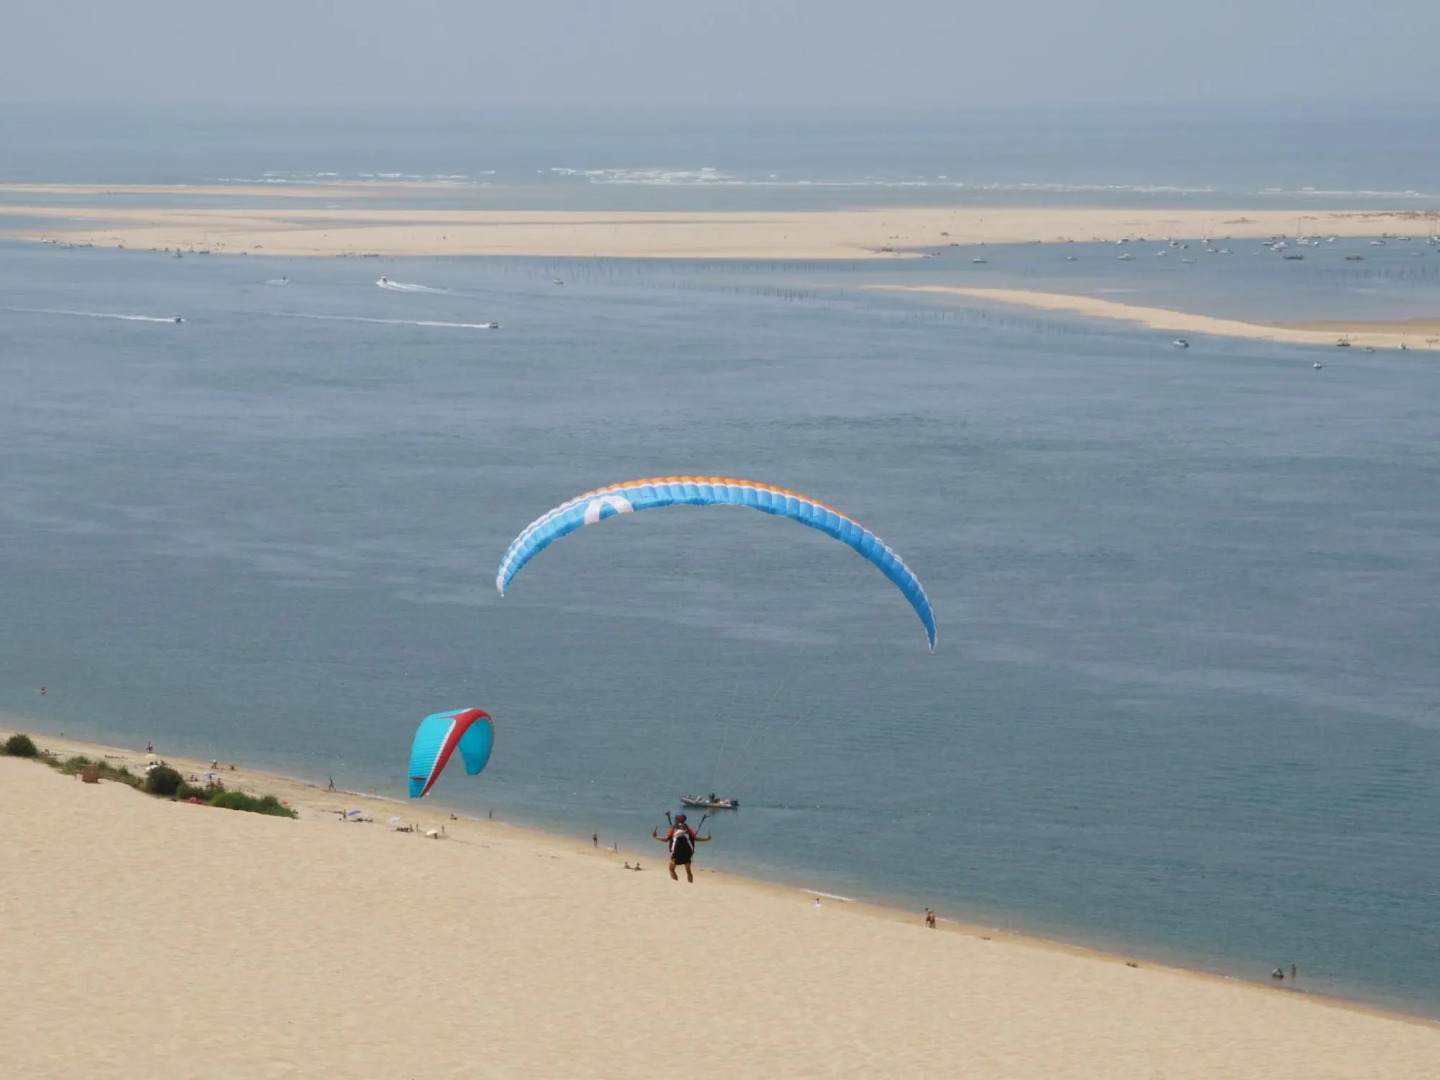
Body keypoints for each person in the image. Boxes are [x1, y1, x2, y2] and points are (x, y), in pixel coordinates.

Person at [652, 812, 710, 882]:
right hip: (687, 855)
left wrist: (656, 837)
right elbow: (696, 838)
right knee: (688, 871)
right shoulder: (688, 828)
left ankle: (676, 883)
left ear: (678, 820)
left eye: (676, 818)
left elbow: (666, 840)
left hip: (676, 855)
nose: (674, 819)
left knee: (671, 870)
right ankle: (690, 884)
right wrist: (707, 839)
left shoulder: (673, 828)